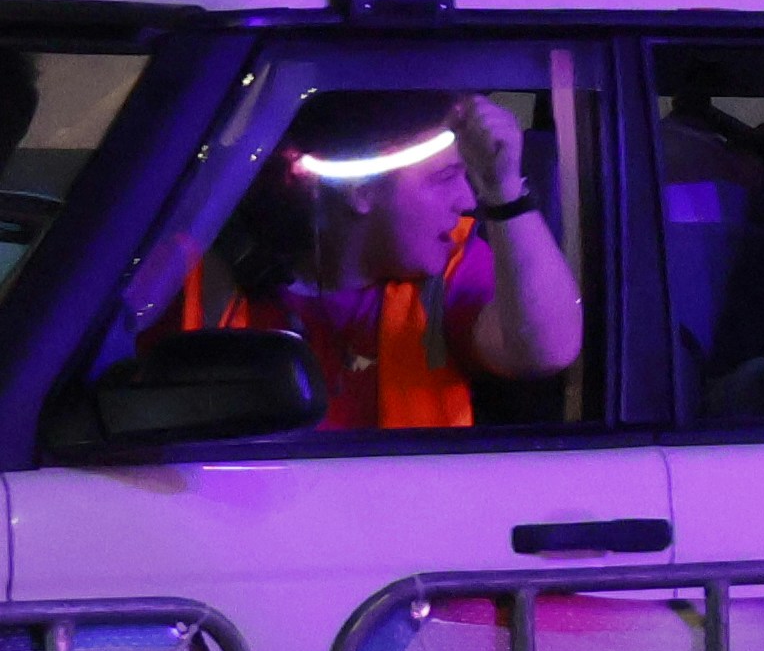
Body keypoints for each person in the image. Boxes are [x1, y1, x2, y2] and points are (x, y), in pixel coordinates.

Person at [180, 89, 586, 430]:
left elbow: (547, 351)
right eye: (444, 178)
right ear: (360, 191)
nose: (466, 202)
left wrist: (504, 192)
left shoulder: (451, 268)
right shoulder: (209, 275)